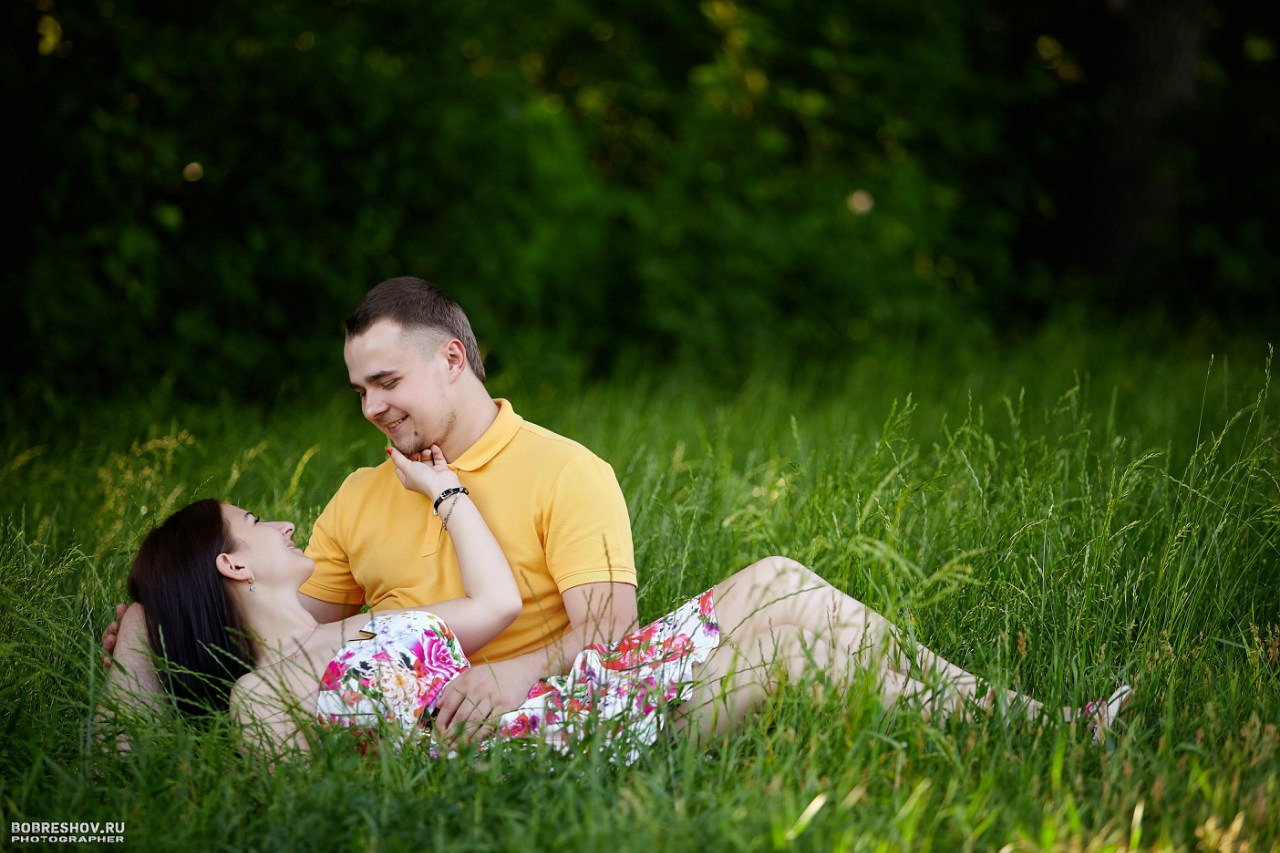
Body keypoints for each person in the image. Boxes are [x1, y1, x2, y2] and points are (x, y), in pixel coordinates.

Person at [123, 445, 1132, 760]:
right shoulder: (261, 702)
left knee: (779, 577)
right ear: (231, 565)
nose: (283, 523)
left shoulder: (361, 628)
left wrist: (447, 491)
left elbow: (496, 598)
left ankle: (1041, 725)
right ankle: (1046, 733)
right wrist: (134, 639)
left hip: (566, 701)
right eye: (254, 522)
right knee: (793, 640)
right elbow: (120, 768)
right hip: (548, 749)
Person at [103, 277, 639, 739]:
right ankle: (117, 785)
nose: (371, 408)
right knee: (141, 620)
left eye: (387, 383)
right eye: (361, 391)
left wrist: (512, 675)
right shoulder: (360, 494)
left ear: (452, 359)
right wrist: (162, 630)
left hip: (522, 710)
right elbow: (284, 632)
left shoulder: (566, 470)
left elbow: (610, 627)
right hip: (393, 713)